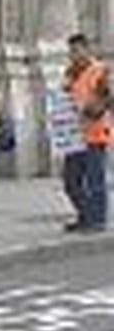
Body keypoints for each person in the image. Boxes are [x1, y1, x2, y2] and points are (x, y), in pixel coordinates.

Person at [62, 33, 111, 233]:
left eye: (76, 50)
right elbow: (64, 99)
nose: (73, 55)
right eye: (70, 51)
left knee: (94, 180)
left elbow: (107, 99)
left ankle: (97, 220)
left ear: (86, 49)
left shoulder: (101, 71)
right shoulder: (71, 73)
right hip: (74, 136)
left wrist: (89, 109)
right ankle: (86, 215)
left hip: (95, 134)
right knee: (71, 181)